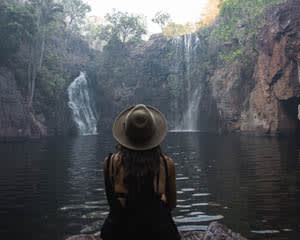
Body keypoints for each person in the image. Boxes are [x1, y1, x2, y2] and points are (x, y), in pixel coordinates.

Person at [101, 104, 181, 240]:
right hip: (157, 233)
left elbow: (113, 202)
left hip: (118, 233)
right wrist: (161, 198)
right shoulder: (167, 164)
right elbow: (171, 205)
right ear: (153, 134)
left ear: (126, 134)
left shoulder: (109, 163)